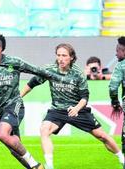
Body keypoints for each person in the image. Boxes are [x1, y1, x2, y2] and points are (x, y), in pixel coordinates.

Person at [0, 32, 75, 169]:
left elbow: (36, 70)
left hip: (14, 105)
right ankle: (34, 167)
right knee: (15, 149)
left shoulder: (14, 62)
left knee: (1, 134)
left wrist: (58, 77)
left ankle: (35, 165)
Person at [20, 43, 124, 169]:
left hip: (78, 110)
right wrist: (19, 97)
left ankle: (121, 157)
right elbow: (32, 84)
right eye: (58, 55)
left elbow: (85, 97)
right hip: (57, 110)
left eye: (64, 55)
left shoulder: (78, 73)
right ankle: (50, 166)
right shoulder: (49, 70)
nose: (60, 58)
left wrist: (76, 109)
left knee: (102, 136)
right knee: (44, 129)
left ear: (71, 58)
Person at [109, 36, 125, 169]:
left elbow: (113, 87)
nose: (116, 53)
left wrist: (115, 102)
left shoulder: (121, 66)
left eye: (118, 50)